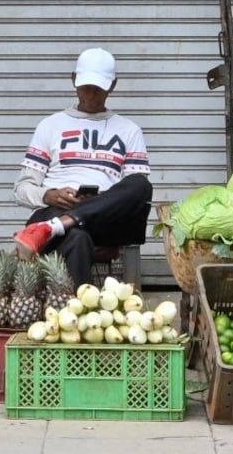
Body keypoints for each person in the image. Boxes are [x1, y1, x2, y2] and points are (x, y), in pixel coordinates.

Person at [11, 47, 153, 285]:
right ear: (74, 79)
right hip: (54, 211)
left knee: (141, 184)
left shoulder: (129, 130)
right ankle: (78, 308)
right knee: (77, 238)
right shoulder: (50, 126)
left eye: (98, 88)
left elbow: (134, 196)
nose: (91, 94)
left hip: (105, 220)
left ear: (113, 85)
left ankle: (59, 225)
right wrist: (49, 195)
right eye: (86, 86)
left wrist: (101, 202)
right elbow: (21, 189)